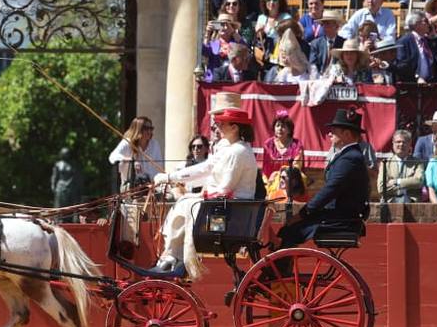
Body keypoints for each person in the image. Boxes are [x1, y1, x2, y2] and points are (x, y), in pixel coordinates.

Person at [151, 106, 259, 275]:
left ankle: (173, 257)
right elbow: (205, 169)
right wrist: (171, 177)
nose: (218, 127)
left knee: (186, 203)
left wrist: (196, 193)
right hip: (227, 206)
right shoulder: (232, 148)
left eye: (222, 123)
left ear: (234, 127)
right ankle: (172, 256)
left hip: (229, 210)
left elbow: (225, 188)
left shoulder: (237, 152)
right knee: (185, 201)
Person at [277, 108, 370, 247]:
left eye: (334, 130)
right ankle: (282, 267)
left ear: (346, 134)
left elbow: (330, 190)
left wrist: (304, 213)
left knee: (289, 231)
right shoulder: (349, 155)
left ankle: (279, 268)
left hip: (339, 219)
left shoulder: (350, 158)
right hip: (340, 216)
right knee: (290, 229)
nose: (329, 133)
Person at [108, 115, 162, 188]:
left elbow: (159, 167)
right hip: (131, 187)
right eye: (146, 128)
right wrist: (131, 161)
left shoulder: (154, 144)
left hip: (151, 186)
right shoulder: (127, 142)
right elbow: (112, 157)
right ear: (138, 129)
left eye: (151, 128)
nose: (149, 131)